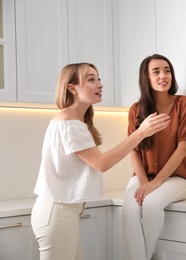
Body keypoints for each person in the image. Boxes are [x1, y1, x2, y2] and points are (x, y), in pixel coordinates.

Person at [31, 62, 170, 260]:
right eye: (91, 79)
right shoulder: (70, 123)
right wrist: (140, 133)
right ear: (72, 88)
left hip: (60, 212)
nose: (100, 84)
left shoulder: (73, 121)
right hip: (57, 213)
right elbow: (101, 163)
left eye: (99, 78)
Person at [122, 54, 186, 260]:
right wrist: (145, 182)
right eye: (156, 71)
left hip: (177, 178)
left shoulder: (184, 104)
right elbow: (133, 149)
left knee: (152, 204)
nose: (164, 76)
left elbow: (183, 146)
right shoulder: (136, 110)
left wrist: (158, 182)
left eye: (167, 70)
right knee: (129, 211)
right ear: (146, 77)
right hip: (142, 176)